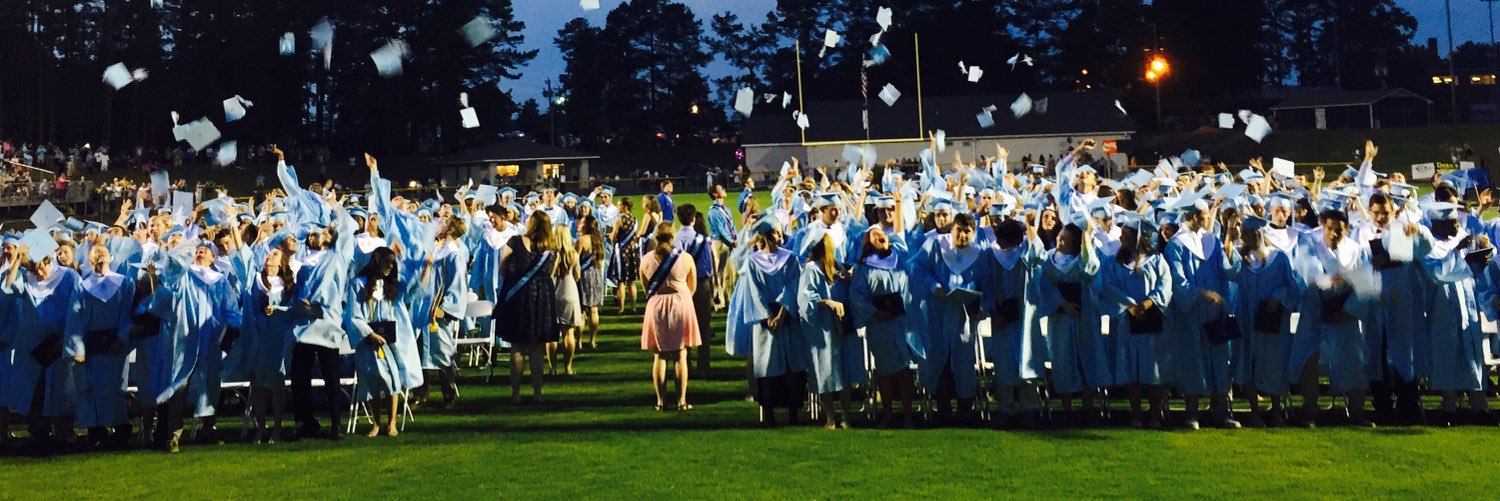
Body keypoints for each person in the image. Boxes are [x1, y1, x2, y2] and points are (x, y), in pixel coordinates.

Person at [911, 211, 991, 424]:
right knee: (939, 359)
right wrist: (932, 285)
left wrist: (980, 307)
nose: (963, 236)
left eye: (967, 232)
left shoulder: (980, 254)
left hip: (964, 316)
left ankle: (965, 407)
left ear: (973, 233)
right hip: (937, 312)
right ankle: (942, 405)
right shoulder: (935, 245)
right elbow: (916, 268)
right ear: (951, 229)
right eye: (959, 230)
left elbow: (987, 285)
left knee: (963, 360)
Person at [1099, 213, 1171, 429]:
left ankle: (1155, 414)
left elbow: (1165, 286)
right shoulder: (1115, 262)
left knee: (1152, 369)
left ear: (1138, 238)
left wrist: (1148, 304)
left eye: (1126, 235)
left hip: (1152, 319)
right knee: (1131, 368)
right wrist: (1130, 304)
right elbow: (1108, 286)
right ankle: (1136, 413)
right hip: (1125, 319)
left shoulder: (1157, 260)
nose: (1121, 239)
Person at [1225, 216, 1298, 428]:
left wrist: (1278, 296)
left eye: (1247, 234)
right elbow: (1228, 275)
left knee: (1274, 362)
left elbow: (1293, 287)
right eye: (1243, 235)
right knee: (1250, 361)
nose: (1245, 238)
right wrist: (1231, 245)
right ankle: (1254, 411)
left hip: (1272, 320)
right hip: (1247, 319)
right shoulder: (1241, 259)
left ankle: (1276, 411)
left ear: (1258, 234)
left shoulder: (1279, 258)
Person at [733, 216, 807, 425]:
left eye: (779, 231)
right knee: (767, 367)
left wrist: (782, 314)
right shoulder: (753, 261)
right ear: (765, 236)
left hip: (787, 317)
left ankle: (793, 411)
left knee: (793, 366)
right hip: (766, 322)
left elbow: (793, 287)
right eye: (775, 232)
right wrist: (768, 316)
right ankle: (768, 413)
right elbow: (754, 292)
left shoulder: (790, 258)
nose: (779, 235)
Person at [345, 247, 422, 437]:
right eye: (387, 262)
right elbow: (352, 315)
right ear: (376, 262)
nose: (390, 266)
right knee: (372, 381)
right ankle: (376, 423)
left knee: (391, 379)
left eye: (392, 263)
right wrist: (370, 334)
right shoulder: (359, 284)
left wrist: (415, 263)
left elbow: (413, 288)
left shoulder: (391, 285)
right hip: (368, 340)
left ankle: (392, 422)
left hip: (389, 340)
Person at [798, 231, 864, 429]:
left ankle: (845, 415)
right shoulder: (811, 269)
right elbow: (804, 298)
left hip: (843, 325)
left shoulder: (838, 266)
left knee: (844, 370)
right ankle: (829, 417)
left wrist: (849, 279)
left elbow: (850, 291)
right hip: (822, 327)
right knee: (825, 370)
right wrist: (827, 302)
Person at [498, 211, 560, 403]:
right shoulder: (552, 247)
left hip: (518, 295)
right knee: (537, 348)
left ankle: (515, 394)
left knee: (517, 347)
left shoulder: (515, 241)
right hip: (542, 297)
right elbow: (552, 272)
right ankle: (537, 394)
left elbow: (502, 268)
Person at [238, 245, 296, 443]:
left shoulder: (288, 285)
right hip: (259, 337)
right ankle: (261, 427)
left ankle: (277, 428)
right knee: (259, 385)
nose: (269, 257)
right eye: (269, 254)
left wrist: (277, 309)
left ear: (282, 262)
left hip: (278, 338)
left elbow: (292, 309)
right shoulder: (256, 280)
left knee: (276, 386)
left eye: (275, 255)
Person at [640, 222, 701, 411]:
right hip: (680, 304)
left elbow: (645, 287)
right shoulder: (686, 258)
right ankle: (681, 401)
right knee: (680, 354)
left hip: (657, 305)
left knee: (659, 356)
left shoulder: (646, 259)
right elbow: (693, 287)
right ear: (672, 237)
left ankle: (660, 401)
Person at [672, 204, 717, 378]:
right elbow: (709, 265)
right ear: (693, 219)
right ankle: (704, 366)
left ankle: (685, 365)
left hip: (681, 285)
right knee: (703, 327)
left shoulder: (675, 240)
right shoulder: (703, 240)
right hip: (701, 283)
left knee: (682, 327)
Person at [551, 225, 583, 375]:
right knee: (569, 333)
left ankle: (552, 368)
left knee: (551, 335)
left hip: (553, 294)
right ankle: (568, 366)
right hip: (569, 292)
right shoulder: (574, 254)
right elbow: (578, 275)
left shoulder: (550, 254)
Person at [577, 214, 606, 350]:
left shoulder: (581, 240)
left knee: (582, 310)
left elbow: (575, 262)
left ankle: (578, 341)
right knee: (594, 311)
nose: (579, 224)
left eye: (582, 222)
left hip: (583, 276)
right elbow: (600, 261)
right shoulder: (598, 239)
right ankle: (592, 340)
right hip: (596, 275)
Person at [609, 198, 640, 314]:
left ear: (625, 207)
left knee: (621, 281)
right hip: (632, 252)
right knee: (631, 282)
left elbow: (613, 237)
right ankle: (633, 307)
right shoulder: (635, 220)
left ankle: (621, 308)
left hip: (621, 252)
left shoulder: (619, 220)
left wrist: (611, 237)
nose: (617, 207)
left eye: (619, 205)